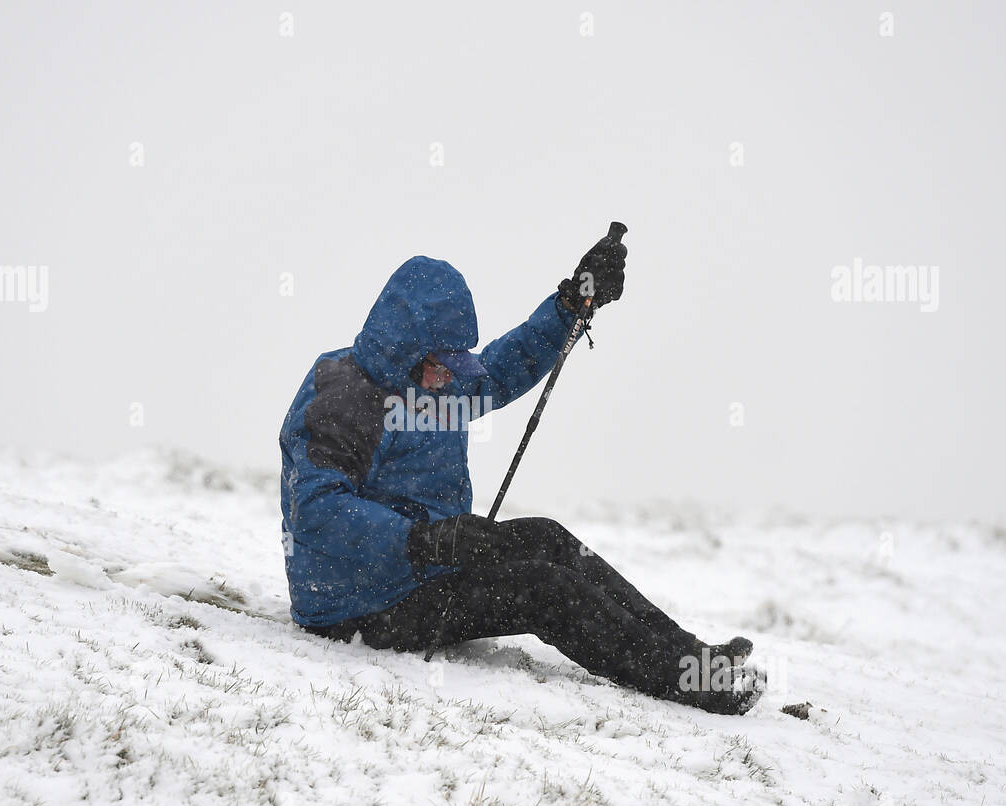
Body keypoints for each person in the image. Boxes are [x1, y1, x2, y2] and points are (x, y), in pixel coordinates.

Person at [277, 231, 765, 714]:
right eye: (440, 364)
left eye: (454, 364)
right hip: (355, 602)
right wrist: (425, 540)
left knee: (548, 539)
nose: (449, 376)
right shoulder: (344, 397)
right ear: (405, 348)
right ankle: (691, 684)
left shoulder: (435, 387)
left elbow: (501, 369)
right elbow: (317, 510)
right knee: (542, 589)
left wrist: (571, 305)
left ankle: (694, 656)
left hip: (420, 569)